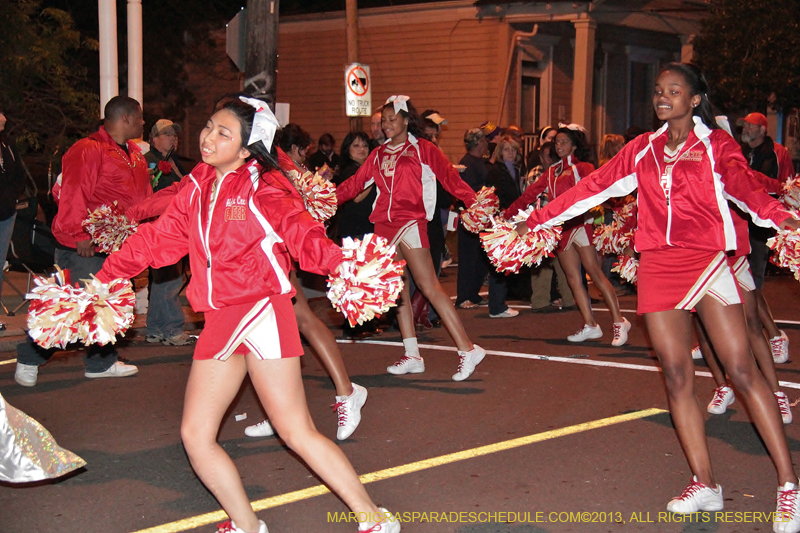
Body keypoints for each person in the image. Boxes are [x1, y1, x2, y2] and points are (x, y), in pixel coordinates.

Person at [95, 95, 400, 533]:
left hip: (261, 311)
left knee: (295, 431)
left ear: (245, 148)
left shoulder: (263, 187)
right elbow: (158, 242)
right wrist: (105, 278)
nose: (208, 137)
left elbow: (302, 233)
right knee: (195, 436)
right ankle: (246, 524)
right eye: (208, 126)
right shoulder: (198, 185)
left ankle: (372, 518)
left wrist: (343, 264)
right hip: (219, 318)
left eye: (223, 132)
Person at [522, 62, 800, 531]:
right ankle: (705, 482)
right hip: (659, 265)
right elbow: (593, 187)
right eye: (658, 90)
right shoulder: (643, 150)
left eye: (674, 90)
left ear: (694, 100)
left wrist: (785, 221)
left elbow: (744, 188)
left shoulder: (716, 145)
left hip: (707, 260)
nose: (662, 96)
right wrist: (534, 221)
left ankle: (789, 486)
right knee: (675, 376)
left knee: (740, 369)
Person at [337, 95, 486, 381]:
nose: (387, 125)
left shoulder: (424, 149)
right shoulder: (378, 154)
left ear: (407, 120)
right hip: (383, 226)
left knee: (429, 286)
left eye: (394, 119)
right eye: (384, 121)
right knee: (397, 291)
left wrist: (474, 201)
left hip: (411, 222)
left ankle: (468, 349)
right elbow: (354, 185)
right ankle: (412, 354)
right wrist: (325, 199)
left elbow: (450, 180)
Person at [14, 96, 148, 387]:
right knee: (72, 307)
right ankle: (29, 356)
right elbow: (73, 193)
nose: (143, 122)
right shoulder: (88, 149)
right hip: (84, 245)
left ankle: (100, 364)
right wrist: (80, 236)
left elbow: (141, 200)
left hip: (116, 245)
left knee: (108, 307)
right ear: (125, 118)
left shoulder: (134, 153)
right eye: (140, 117)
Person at [506, 126, 630, 346]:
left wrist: (617, 203)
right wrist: (506, 216)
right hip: (560, 229)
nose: (559, 145)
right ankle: (591, 325)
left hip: (580, 224)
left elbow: (598, 187)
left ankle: (619, 322)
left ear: (574, 145)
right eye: (557, 142)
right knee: (573, 280)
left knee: (595, 273)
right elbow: (529, 194)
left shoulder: (583, 167)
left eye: (563, 142)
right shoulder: (552, 171)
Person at [740, 112, 792, 364]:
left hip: (760, 223)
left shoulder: (777, 152)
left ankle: (771, 336)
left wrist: (747, 177)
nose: (745, 128)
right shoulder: (736, 150)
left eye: (750, 125)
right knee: (727, 285)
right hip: (733, 219)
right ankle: (716, 338)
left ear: (761, 129)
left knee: (750, 283)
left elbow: (783, 186)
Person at [143, 118, 193, 346]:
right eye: (167, 134)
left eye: (175, 134)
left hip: (176, 226)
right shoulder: (149, 163)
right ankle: (171, 329)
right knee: (169, 279)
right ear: (154, 139)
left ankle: (155, 328)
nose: (173, 138)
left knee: (164, 279)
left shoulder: (173, 162)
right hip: (163, 228)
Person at [333, 130, 378, 338]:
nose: (362, 149)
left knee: (365, 277)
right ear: (348, 151)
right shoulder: (350, 170)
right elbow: (357, 198)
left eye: (365, 146)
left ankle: (365, 321)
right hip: (353, 230)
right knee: (353, 278)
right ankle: (352, 325)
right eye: (356, 146)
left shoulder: (363, 169)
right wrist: (371, 176)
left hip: (366, 228)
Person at [484, 135, 523, 319]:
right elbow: (494, 197)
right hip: (500, 220)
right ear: (500, 152)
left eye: (514, 150)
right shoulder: (496, 171)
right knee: (499, 262)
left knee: (504, 260)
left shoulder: (513, 170)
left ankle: (499, 303)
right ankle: (497, 306)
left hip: (509, 218)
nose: (511, 153)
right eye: (507, 149)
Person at [455, 128, 490, 308]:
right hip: (471, 218)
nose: (486, 142)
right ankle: (464, 296)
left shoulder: (480, 162)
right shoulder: (467, 163)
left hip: (481, 217)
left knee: (479, 257)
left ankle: (473, 293)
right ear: (478, 142)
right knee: (468, 258)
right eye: (484, 139)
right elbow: (468, 189)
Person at [0, 107, 26, 332]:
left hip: (6, 213)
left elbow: (19, 174)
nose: (4, 118)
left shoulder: (7, 143)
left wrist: (12, 196)